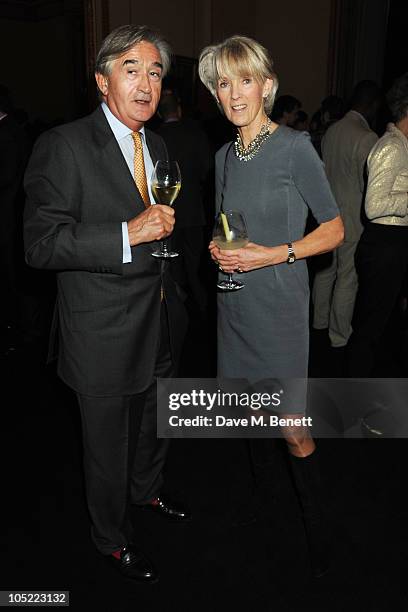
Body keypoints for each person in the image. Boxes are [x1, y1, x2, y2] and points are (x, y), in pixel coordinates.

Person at [24, 25, 189, 583]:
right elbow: (40, 244)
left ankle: (146, 495)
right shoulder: (64, 145)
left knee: (153, 428)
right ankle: (111, 538)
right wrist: (128, 233)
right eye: (132, 69)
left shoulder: (158, 144)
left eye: (157, 72)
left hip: (159, 317)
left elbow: (160, 225)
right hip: (101, 333)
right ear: (102, 80)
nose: (147, 84)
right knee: (107, 449)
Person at [198, 35, 343, 577]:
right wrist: (220, 248)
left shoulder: (294, 148)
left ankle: (320, 534)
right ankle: (267, 510)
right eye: (223, 82)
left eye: (245, 79)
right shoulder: (221, 156)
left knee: (292, 425)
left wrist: (275, 253)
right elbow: (228, 229)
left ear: (266, 85)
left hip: (279, 308)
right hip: (236, 306)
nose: (234, 93)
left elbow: (334, 230)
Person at [312, 81, 381, 350]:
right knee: (347, 277)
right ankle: (339, 335)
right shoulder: (367, 136)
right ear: (372, 104)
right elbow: (369, 185)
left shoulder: (333, 130)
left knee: (326, 271)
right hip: (353, 217)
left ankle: (318, 323)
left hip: (326, 212)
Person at [347, 73, 408, 377]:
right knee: (370, 330)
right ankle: (354, 400)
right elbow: (374, 206)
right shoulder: (392, 148)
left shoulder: (401, 145)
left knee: (383, 325)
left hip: (392, 244)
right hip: (384, 245)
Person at [156, 92, 213, 314]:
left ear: (159, 113)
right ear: (178, 110)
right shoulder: (196, 133)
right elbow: (207, 168)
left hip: (167, 213)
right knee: (195, 262)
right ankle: (200, 304)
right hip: (194, 211)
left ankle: (178, 303)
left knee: (172, 261)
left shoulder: (154, 137)